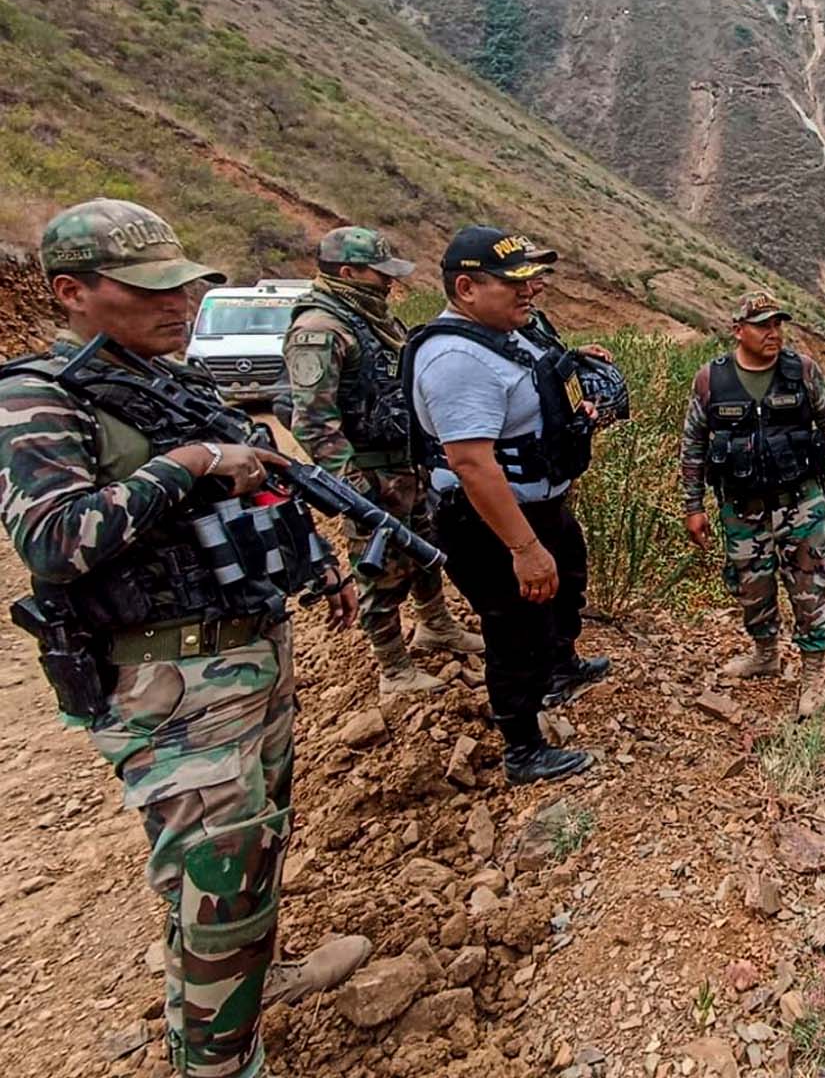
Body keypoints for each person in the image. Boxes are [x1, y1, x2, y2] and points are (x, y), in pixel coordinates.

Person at [0, 199, 370, 1078]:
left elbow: (254, 491)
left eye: (184, 287)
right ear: (72, 292)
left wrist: (316, 563)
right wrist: (191, 463)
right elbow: (54, 539)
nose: (180, 305)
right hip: (165, 675)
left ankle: (246, 987)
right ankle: (218, 1058)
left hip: (244, 650)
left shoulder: (169, 382)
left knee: (251, 849)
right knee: (218, 868)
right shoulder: (38, 395)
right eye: (149, 291)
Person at [403, 225, 614, 785]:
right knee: (515, 625)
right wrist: (523, 548)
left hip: (539, 505)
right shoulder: (456, 360)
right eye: (513, 281)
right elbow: (472, 464)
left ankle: (561, 669)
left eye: (530, 278)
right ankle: (523, 748)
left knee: (565, 582)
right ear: (467, 288)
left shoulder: (503, 335)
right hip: (489, 523)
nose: (530, 289)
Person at [283, 226, 484, 696]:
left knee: (424, 549)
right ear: (348, 272)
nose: (389, 281)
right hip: (369, 471)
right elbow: (312, 423)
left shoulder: (370, 318)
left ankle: (435, 624)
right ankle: (393, 667)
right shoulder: (320, 330)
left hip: (405, 462)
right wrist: (352, 488)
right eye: (379, 273)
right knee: (381, 569)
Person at [680, 291, 825, 715]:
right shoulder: (711, 380)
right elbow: (693, 445)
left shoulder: (803, 371)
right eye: (763, 325)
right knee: (751, 586)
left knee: (809, 587)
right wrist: (693, 506)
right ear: (738, 330)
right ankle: (765, 654)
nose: (773, 333)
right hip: (742, 507)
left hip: (801, 502)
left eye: (777, 324)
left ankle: (813, 673)